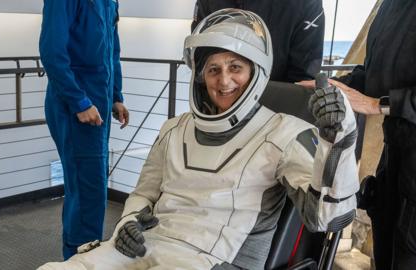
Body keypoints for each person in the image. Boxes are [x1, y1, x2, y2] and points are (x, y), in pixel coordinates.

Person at [39, 9, 358, 270]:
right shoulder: (175, 129)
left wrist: (338, 140)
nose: (224, 80)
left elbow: (328, 217)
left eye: (236, 67)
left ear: (256, 73)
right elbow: (144, 192)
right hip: (144, 247)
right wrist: (129, 223)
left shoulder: (284, 132)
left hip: (210, 259)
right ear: (200, 77)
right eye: (212, 69)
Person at [322, 1, 416, 268]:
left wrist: (377, 105)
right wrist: (333, 87)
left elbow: (375, 100)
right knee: (385, 254)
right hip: (394, 153)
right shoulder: (390, 6)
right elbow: (373, 73)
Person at [39, 0, 129, 260]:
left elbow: (112, 52)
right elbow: (52, 52)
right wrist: (79, 101)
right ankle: (79, 262)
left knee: (91, 186)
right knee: (87, 191)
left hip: (98, 103)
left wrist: (115, 96)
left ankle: (83, 259)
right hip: (74, 106)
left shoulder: (110, 2)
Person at [191, 0, 325, 83]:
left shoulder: (306, 4)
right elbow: (199, 54)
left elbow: (304, 76)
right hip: (216, 107)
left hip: (278, 111)